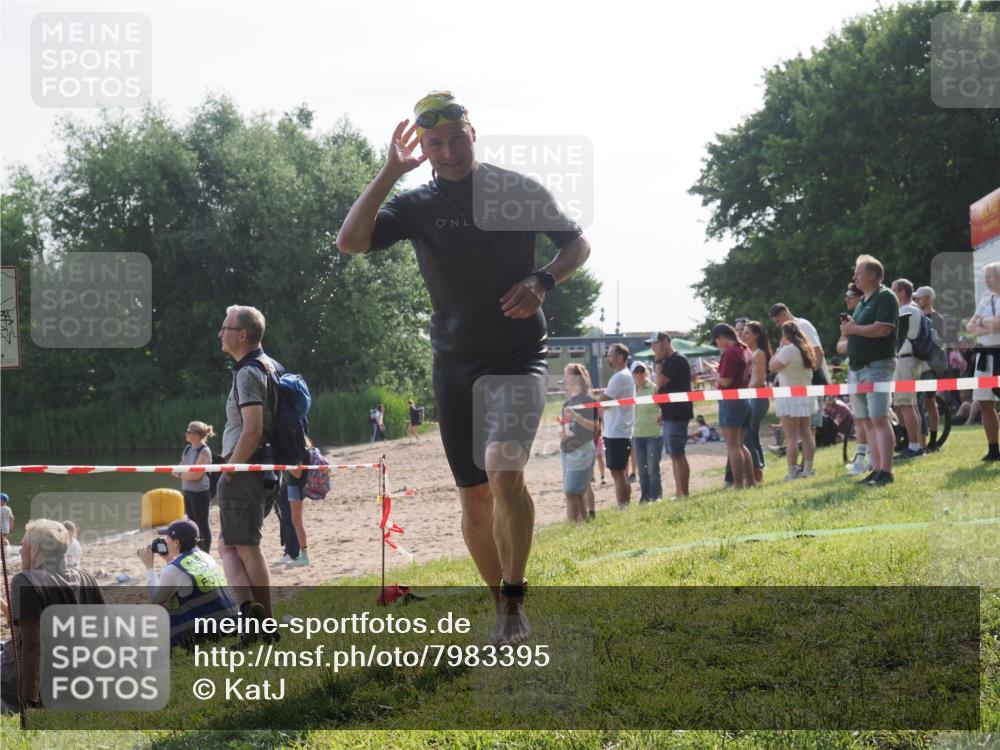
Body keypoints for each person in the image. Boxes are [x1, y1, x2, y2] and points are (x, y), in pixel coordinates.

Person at [336, 91, 591, 644]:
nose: (448, 151)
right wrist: (387, 172)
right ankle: (501, 606)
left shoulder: (516, 190)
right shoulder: (417, 205)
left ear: (474, 135)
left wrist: (543, 279)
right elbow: (351, 241)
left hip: (520, 354)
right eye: (435, 144)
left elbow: (577, 245)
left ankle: (517, 595)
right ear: (423, 149)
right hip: (455, 364)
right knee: (474, 494)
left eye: (456, 139)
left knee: (505, 472)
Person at [217, 304, 281, 623]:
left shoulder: (248, 372)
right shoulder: (268, 365)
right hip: (262, 469)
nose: (220, 334)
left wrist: (230, 469)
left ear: (242, 335)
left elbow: (253, 430)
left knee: (246, 547)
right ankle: (250, 618)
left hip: (246, 471)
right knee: (231, 546)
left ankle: (263, 623)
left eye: (225, 329)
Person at [0, 519, 105, 711]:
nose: (20, 551)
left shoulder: (25, 581)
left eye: (22, 546)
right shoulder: (85, 577)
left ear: (34, 550)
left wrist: (28, 705)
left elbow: (32, 647)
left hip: (15, 689)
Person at [841, 254, 899, 486]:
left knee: (879, 419)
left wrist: (854, 330)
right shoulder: (864, 300)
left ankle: (886, 471)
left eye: (859, 272)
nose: (854, 276)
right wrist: (849, 330)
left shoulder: (885, 296)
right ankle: (876, 470)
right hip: (858, 368)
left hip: (877, 366)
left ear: (874, 275)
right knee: (866, 421)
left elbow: (884, 329)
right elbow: (858, 329)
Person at [138, 519, 238, 648]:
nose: (164, 541)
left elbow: (156, 598)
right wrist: (169, 559)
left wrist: (149, 567)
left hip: (207, 633)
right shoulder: (206, 557)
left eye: (167, 538)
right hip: (231, 623)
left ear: (176, 542)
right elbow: (180, 578)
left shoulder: (174, 569)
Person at [707, 323, 756, 489]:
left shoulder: (730, 352)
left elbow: (726, 381)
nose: (717, 345)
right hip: (745, 399)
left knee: (733, 446)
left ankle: (738, 485)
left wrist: (715, 375)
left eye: (716, 341)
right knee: (741, 445)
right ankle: (750, 481)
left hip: (731, 400)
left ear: (721, 337)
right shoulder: (745, 349)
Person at [770, 320, 819, 481]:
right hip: (806, 395)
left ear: (785, 335)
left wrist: (780, 348)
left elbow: (772, 366)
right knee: (806, 434)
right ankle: (808, 469)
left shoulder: (789, 349)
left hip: (790, 396)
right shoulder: (806, 349)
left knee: (791, 437)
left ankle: (791, 473)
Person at [649, 331, 694, 498]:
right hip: (669, 412)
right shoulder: (669, 361)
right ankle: (679, 492)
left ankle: (684, 492)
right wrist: (662, 409)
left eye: (656, 343)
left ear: (666, 342)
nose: (653, 348)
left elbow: (660, 382)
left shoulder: (677, 360)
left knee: (678, 453)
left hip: (678, 412)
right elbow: (662, 387)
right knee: (673, 454)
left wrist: (658, 360)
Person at [967, 261, 1000, 462]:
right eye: (986, 276)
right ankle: (993, 449)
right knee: (984, 402)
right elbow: (971, 325)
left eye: (990, 276)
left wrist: (983, 323)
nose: (986, 280)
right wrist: (987, 324)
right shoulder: (985, 300)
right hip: (984, 356)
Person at [890, 278, 927, 459]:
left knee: (906, 404)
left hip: (906, 359)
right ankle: (915, 444)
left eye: (893, 291)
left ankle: (914, 446)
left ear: (902, 292)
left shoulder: (906, 310)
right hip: (909, 359)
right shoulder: (915, 309)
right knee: (908, 404)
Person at [838, 284, 872, 475]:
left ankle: (873, 458)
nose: (847, 299)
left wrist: (851, 338)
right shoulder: (850, 321)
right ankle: (861, 457)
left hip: (868, 369)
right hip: (853, 370)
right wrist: (848, 336)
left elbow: (847, 345)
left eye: (850, 296)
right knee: (859, 417)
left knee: (872, 418)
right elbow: (840, 347)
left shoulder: (864, 318)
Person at [600, 343, 637, 509]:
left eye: (610, 355)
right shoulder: (623, 375)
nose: (608, 358)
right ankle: (624, 504)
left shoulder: (620, 376)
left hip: (617, 430)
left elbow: (604, 401)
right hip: (618, 429)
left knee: (617, 472)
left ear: (620, 357)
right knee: (620, 471)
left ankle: (623, 505)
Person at [560, 364, 598, 523]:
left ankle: (573, 525)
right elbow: (566, 427)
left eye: (567, 376)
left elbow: (595, 428)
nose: (564, 379)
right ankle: (582, 523)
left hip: (583, 450)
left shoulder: (588, 400)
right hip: (568, 451)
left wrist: (576, 417)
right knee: (577, 491)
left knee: (570, 492)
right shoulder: (567, 403)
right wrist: (563, 433)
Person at [173, 420, 215, 553]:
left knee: (202, 525)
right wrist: (181, 472)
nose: (186, 433)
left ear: (196, 435)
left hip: (200, 493)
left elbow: (197, 475)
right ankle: (195, 551)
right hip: (188, 491)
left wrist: (180, 475)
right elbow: (180, 466)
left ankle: (205, 553)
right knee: (191, 524)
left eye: (189, 431)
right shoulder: (187, 449)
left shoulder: (204, 451)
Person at [739, 321, 773, 484]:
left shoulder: (759, 353)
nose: (743, 336)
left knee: (747, 437)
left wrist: (743, 389)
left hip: (758, 398)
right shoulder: (751, 352)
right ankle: (760, 469)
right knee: (753, 436)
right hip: (753, 396)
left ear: (756, 335)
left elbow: (759, 380)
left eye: (747, 333)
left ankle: (756, 471)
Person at [913, 286, 945, 451]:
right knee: (918, 402)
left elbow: (938, 343)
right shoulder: (916, 316)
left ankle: (932, 439)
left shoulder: (936, 318)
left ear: (929, 298)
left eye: (920, 297)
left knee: (929, 402)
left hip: (930, 365)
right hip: (917, 364)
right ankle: (919, 440)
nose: (917, 300)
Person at [630, 362, 662, 503]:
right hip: (637, 435)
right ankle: (645, 497)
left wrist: (662, 414)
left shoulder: (655, 389)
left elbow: (664, 406)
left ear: (646, 372)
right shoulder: (631, 391)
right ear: (632, 374)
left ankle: (656, 496)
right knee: (642, 470)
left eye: (641, 371)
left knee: (653, 468)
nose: (639, 374)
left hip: (654, 434)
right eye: (636, 371)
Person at [593, 411, 606, 486]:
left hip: (597, 438)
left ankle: (602, 476)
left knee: (599, 457)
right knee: (590, 459)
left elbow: (601, 423)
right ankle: (592, 477)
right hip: (589, 438)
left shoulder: (596, 410)